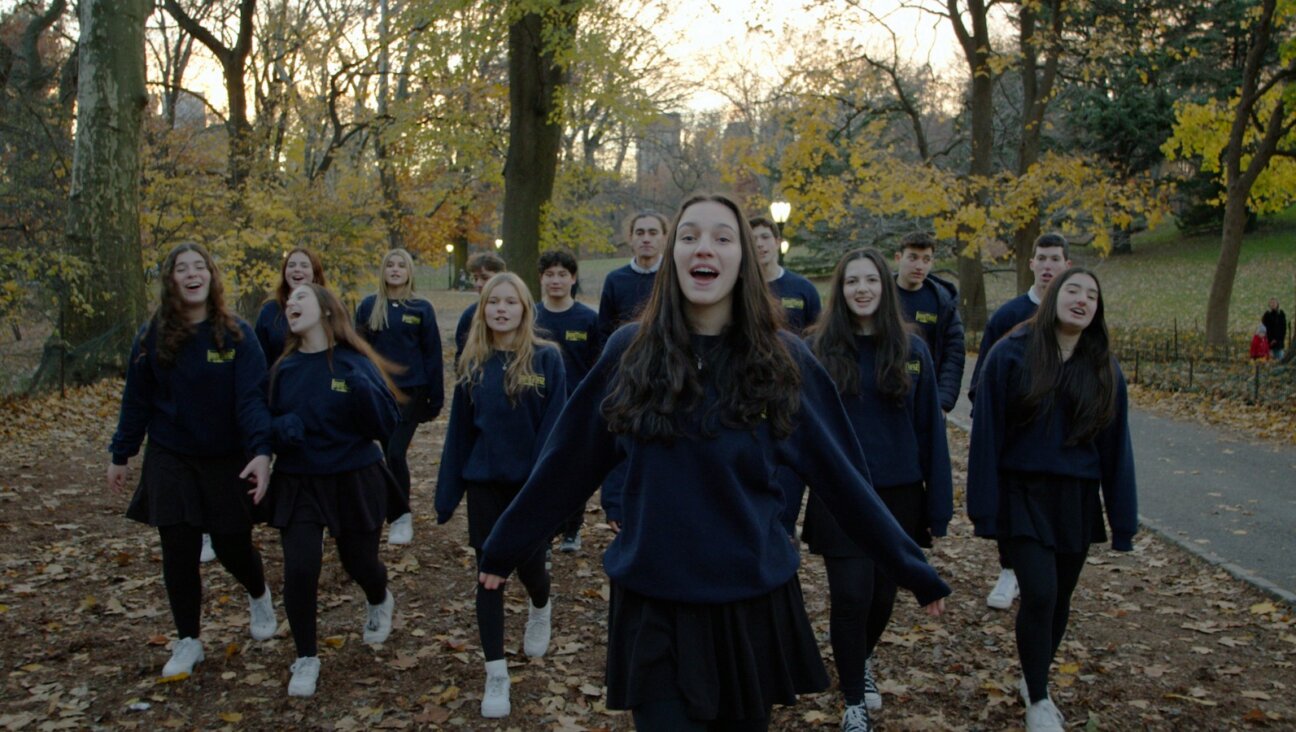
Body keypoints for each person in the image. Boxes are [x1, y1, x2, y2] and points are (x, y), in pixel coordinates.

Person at [478, 194, 949, 732]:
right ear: (674, 256)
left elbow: (843, 478)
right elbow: (567, 461)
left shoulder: (783, 360)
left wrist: (911, 566)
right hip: (654, 601)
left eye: (723, 238)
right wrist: (506, 544)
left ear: (745, 259)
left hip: (748, 603)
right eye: (690, 236)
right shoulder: (630, 352)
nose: (705, 248)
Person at [967, 267, 1136, 732]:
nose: (1082, 300)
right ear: (1054, 297)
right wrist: (982, 507)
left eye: (1092, 295)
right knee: (1039, 592)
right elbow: (987, 436)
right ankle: (1039, 701)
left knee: (1059, 598)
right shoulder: (1012, 354)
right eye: (1073, 291)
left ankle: (1032, 672)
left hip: (1075, 498)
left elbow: (1116, 448)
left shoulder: (1103, 367)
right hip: (1022, 493)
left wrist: (1124, 522)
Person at [106, 242, 277, 679]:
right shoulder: (152, 336)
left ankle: (258, 593)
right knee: (178, 546)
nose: (192, 274)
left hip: (225, 457)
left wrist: (261, 451)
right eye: (182, 268)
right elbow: (137, 399)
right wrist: (122, 452)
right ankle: (188, 639)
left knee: (230, 545)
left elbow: (253, 400)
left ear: (211, 276)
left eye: (199, 266)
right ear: (171, 281)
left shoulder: (237, 334)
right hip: (171, 454)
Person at [803, 248, 953, 732]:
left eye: (870, 280)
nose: (862, 289)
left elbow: (930, 431)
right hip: (840, 493)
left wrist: (938, 506)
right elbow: (798, 431)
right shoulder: (817, 350)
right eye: (852, 282)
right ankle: (852, 701)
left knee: (882, 598)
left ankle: (860, 658)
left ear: (884, 288)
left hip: (899, 494)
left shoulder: (912, 351)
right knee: (850, 594)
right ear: (840, 291)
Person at [434, 272, 568, 719]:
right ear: (483, 309)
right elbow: (459, 434)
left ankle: (541, 606)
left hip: (530, 488)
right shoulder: (474, 362)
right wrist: (446, 494)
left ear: (525, 309)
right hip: (485, 485)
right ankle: (496, 672)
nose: (502, 309)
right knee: (488, 574)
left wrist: (547, 487)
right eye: (494, 302)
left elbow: (556, 428)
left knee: (530, 568)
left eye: (511, 302)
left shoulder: (548, 360)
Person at [264, 283, 404, 697]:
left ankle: (379, 597)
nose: (291, 304)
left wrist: (364, 398)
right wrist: (277, 430)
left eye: (301, 298)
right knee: (300, 568)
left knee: (359, 563)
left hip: (352, 477)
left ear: (327, 311)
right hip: (299, 481)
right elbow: (258, 422)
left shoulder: (353, 364)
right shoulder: (283, 369)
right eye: (289, 301)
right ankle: (306, 656)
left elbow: (386, 427)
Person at [969, 232, 1071, 611]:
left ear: (1066, 266)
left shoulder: (1078, 315)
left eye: (1054, 259)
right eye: (1041, 258)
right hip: (1014, 440)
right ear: (1030, 264)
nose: (1047, 266)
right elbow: (981, 379)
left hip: (1060, 444)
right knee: (1013, 508)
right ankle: (1010, 568)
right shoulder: (1008, 317)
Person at [355, 248, 444, 545]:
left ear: (409, 272)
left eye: (401, 265)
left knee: (395, 452)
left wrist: (436, 396)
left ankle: (401, 517)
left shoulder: (421, 308)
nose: (395, 270)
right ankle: (382, 507)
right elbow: (359, 353)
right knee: (383, 453)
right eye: (390, 265)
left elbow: (432, 354)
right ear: (383, 271)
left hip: (412, 392)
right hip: (378, 392)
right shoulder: (369, 306)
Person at [535, 249, 603, 552]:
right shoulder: (531, 316)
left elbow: (598, 366)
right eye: (549, 274)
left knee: (573, 471)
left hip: (576, 407)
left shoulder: (588, 319)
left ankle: (573, 527)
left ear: (573, 278)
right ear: (541, 279)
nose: (556, 280)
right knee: (542, 470)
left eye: (562, 274)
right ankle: (544, 528)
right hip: (537, 405)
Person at [893, 232, 965, 413]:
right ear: (898, 258)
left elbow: (954, 353)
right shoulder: (879, 295)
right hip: (884, 397)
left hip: (926, 400)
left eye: (926, 260)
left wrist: (943, 402)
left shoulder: (942, 302)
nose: (919, 266)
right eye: (913, 258)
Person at [597, 210, 668, 342]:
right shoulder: (615, 280)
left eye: (653, 233)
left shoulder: (675, 277)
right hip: (625, 358)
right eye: (640, 233)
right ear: (630, 238)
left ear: (664, 238)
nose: (646, 239)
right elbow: (604, 331)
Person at [255, 247, 328, 367]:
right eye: (292, 265)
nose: (297, 269)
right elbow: (259, 360)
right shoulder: (269, 311)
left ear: (315, 273)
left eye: (304, 265)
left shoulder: (329, 309)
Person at [750, 216, 821, 333]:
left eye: (765, 237)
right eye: (752, 239)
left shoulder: (803, 287)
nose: (759, 244)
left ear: (777, 242)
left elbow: (817, 334)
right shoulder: (740, 288)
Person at [455, 251, 507, 358]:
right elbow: (461, 355)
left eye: (485, 278)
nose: (478, 284)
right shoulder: (470, 314)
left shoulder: (518, 310)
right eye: (475, 278)